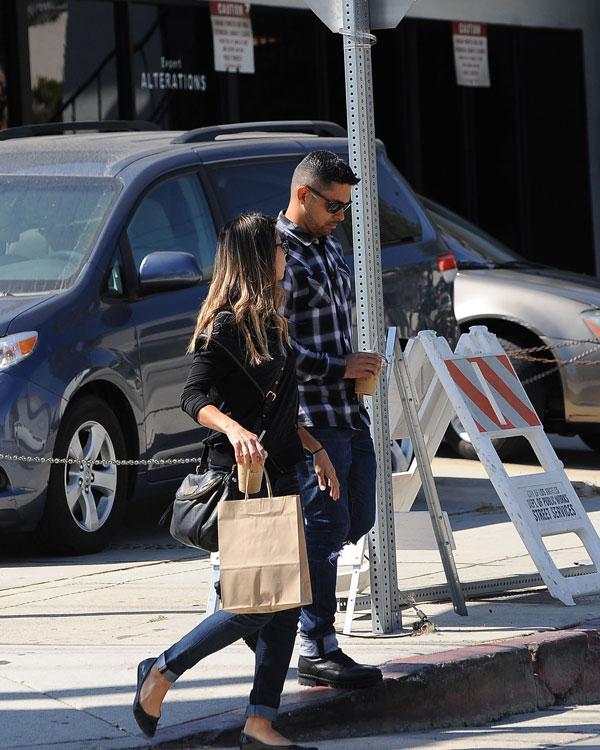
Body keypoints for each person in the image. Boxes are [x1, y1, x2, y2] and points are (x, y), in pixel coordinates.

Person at [133, 213, 338, 750]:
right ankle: (161, 670)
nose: (284, 252)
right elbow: (193, 398)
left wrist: (314, 449)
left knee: (285, 603)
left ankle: (259, 721)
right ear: (253, 256)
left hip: (285, 471)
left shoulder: (274, 319)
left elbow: (280, 406)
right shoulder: (223, 325)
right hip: (244, 479)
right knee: (252, 604)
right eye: (275, 245)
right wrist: (234, 428)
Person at [277, 151, 384, 690]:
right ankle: (316, 645)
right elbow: (273, 350)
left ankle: (287, 615)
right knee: (323, 529)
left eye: (347, 206)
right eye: (334, 205)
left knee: (355, 518)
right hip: (309, 415)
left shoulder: (328, 246)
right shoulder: (279, 257)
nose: (342, 215)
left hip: (347, 409)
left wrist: (357, 366)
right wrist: (339, 366)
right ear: (303, 196)